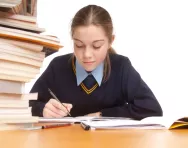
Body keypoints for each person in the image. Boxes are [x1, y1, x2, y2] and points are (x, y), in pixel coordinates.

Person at [29, 4, 163, 120]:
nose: (87, 55)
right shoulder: (58, 67)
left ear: (111, 41)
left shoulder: (121, 67)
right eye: (79, 45)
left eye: (97, 46)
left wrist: (102, 115)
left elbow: (152, 109)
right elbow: (27, 104)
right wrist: (43, 109)